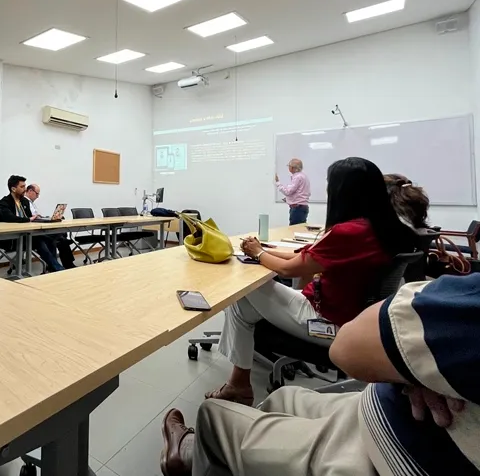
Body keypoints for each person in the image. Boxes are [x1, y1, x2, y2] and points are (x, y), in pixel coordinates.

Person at [160, 271, 480, 476]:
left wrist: (257, 252)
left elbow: (294, 269)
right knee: (284, 396)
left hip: (394, 454)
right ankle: (249, 444)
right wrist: (423, 369)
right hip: (402, 418)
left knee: (212, 414)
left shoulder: (351, 231)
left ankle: (190, 451)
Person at [206, 157, 418, 406]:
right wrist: (263, 249)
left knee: (242, 291)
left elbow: (287, 270)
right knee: (243, 306)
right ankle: (238, 384)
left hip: (329, 322)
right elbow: (304, 258)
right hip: (353, 316)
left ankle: (239, 386)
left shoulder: (349, 233)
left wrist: (257, 253)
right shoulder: (381, 227)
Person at [0, 175, 63, 272]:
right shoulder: (4, 202)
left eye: (25, 186)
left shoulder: (24, 201)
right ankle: (57, 268)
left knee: (50, 239)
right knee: (39, 241)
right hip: (11, 238)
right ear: (13, 189)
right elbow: (10, 218)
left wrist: (38, 219)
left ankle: (53, 268)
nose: (25, 189)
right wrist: (28, 219)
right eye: (22, 187)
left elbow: (30, 218)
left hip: (27, 234)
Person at [24, 183, 76, 269]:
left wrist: (43, 217)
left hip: (38, 227)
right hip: (32, 231)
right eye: (37, 194)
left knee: (60, 234)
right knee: (60, 236)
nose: (38, 196)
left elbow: (35, 216)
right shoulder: (24, 202)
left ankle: (66, 264)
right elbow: (28, 218)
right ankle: (64, 265)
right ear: (30, 191)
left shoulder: (31, 203)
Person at [276, 158, 311, 225]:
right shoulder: (304, 176)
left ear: (292, 168)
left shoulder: (297, 177)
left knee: (294, 231)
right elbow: (301, 192)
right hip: (302, 208)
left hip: (298, 209)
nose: (288, 167)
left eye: (289, 166)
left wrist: (278, 183)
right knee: (299, 230)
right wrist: (289, 199)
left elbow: (288, 192)